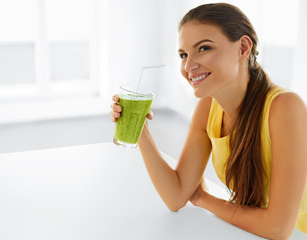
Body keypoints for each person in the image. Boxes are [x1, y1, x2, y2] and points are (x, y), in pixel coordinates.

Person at [110, 3, 307, 239]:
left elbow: (279, 228)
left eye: (203, 48)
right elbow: (175, 197)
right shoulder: (208, 106)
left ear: (243, 48)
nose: (188, 65)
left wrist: (205, 199)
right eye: (183, 54)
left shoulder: (285, 107)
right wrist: (139, 128)